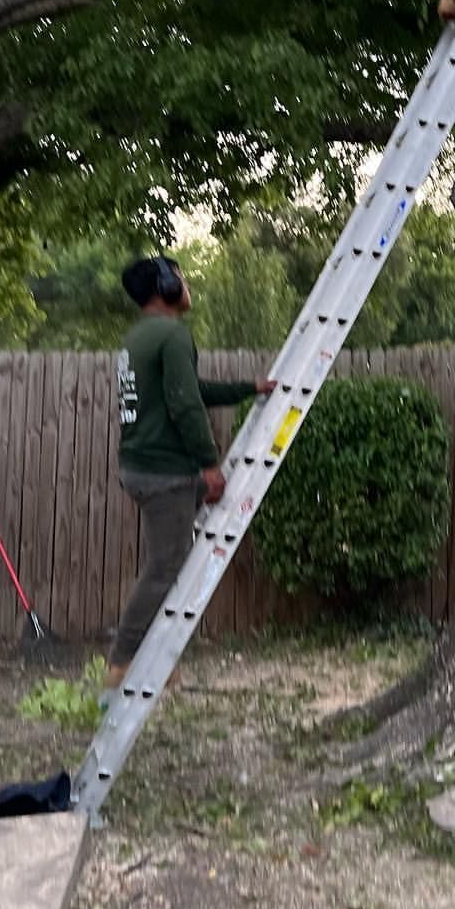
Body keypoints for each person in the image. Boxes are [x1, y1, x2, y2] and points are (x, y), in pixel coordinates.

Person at [109, 255, 276, 691]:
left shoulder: (139, 339)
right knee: (165, 566)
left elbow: (191, 390)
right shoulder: (172, 335)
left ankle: (155, 666)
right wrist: (209, 466)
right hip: (165, 472)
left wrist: (248, 389)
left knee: (168, 565)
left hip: (141, 466)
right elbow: (185, 406)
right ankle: (123, 662)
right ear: (164, 285)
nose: (185, 284)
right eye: (179, 277)